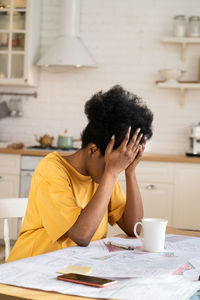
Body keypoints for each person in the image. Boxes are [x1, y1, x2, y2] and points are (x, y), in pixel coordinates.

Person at [7, 85, 153, 262]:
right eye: (113, 164)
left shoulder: (105, 173)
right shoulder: (52, 169)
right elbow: (81, 235)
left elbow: (134, 229)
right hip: (31, 267)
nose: (116, 169)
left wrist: (130, 172)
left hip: (73, 267)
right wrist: (111, 172)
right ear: (92, 150)